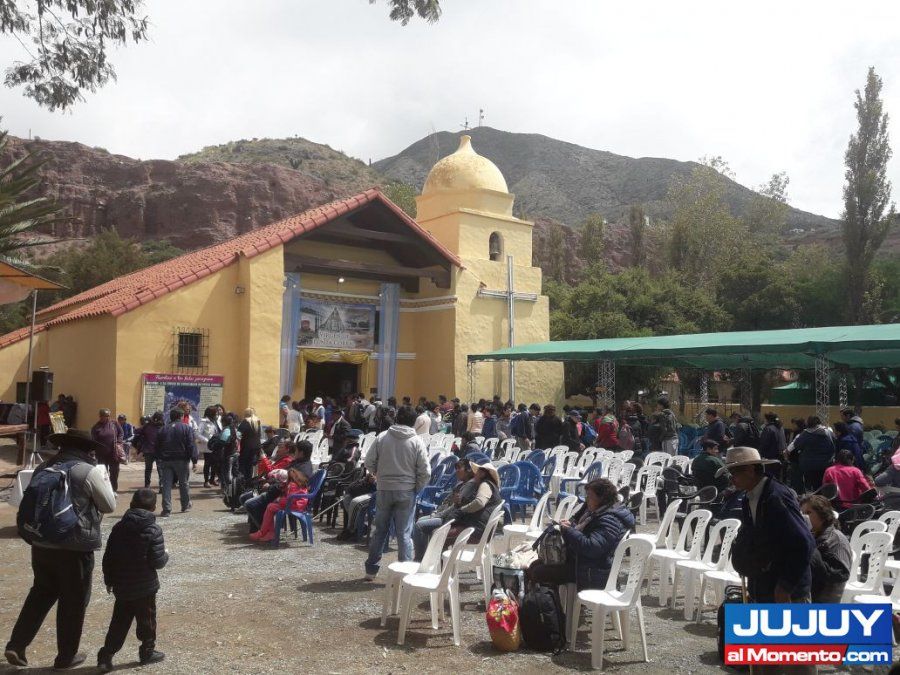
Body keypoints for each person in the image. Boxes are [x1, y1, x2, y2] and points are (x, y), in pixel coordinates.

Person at [5, 429, 116, 670]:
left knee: (40, 593)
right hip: (74, 546)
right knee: (73, 601)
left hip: (42, 543)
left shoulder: (44, 468)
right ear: (86, 450)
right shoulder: (87, 471)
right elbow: (109, 505)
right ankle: (66, 656)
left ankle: (17, 644)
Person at [726, 447, 816, 606]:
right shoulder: (749, 497)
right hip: (764, 586)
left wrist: (785, 587)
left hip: (787, 592)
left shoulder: (776, 497)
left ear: (750, 470)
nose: (732, 479)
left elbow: (804, 542)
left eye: (734, 473)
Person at [97, 489, 167, 671]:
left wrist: (109, 579)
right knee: (147, 620)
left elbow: (108, 557)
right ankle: (147, 651)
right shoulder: (153, 530)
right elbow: (158, 562)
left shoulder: (118, 528)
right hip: (145, 586)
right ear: (154, 507)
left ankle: (106, 656)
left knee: (119, 621)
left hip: (122, 585)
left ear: (130, 505)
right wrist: (166, 555)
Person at [528, 478, 634, 590]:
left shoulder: (610, 520)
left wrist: (569, 530)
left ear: (602, 498)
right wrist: (570, 526)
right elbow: (583, 529)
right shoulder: (598, 510)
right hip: (583, 562)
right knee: (535, 565)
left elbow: (592, 548)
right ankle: (545, 598)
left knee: (538, 572)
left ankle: (548, 599)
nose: (586, 499)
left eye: (590, 496)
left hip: (593, 571)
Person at [363, 404, 431, 580]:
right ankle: (404, 574)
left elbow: (368, 462)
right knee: (404, 534)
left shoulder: (382, 437)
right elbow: (425, 471)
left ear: (396, 417)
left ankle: (371, 570)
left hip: (384, 489)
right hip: (407, 491)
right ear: (414, 421)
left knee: (379, 531)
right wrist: (416, 488)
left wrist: (379, 475)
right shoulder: (417, 441)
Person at [412, 458, 502, 560]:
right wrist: (459, 505)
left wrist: (462, 509)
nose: (475, 474)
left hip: (476, 530)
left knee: (438, 534)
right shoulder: (485, 485)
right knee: (433, 530)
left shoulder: (485, 484)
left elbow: (479, 502)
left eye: (477, 472)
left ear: (482, 474)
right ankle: (437, 563)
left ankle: (432, 563)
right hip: (477, 527)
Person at [799, 494, 851, 604]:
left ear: (822, 515)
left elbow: (840, 575)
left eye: (808, 513)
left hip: (823, 600)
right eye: (802, 513)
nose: (804, 517)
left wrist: (809, 544)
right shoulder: (814, 534)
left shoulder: (835, 540)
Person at [249, 466, 309, 543]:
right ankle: (268, 533)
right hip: (299, 506)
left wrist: (279, 500)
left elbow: (290, 499)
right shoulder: (300, 484)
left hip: (293, 506)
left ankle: (264, 532)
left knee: (270, 507)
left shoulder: (292, 485)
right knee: (271, 507)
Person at [155, 408, 198, 517]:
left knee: (166, 484)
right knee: (183, 483)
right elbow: (191, 445)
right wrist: (194, 460)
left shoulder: (163, 429)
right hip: (181, 460)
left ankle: (166, 509)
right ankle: (185, 505)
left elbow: (157, 446)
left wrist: (160, 457)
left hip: (166, 460)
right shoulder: (186, 428)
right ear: (181, 416)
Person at [792, 415, 836, 492]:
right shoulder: (828, 432)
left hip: (809, 466)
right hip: (826, 464)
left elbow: (797, 445)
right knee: (824, 485)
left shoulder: (805, 434)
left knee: (811, 488)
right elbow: (835, 444)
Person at [91, 408, 124, 493]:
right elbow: (93, 440)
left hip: (114, 453)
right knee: (103, 473)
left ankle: (113, 489)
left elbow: (121, 433)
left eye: (108, 416)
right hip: (101, 454)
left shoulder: (114, 424)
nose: (107, 417)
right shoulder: (96, 427)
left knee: (114, 472)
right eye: (105, 416)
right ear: (100, 416)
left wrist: (119, 441)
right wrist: (93, 452)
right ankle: (105, 490)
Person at [197, 406, 222, 488]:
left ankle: (212, 479)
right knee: (207, 463)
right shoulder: (203, 422)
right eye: (216, 413)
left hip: (216, 445)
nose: (217, 415)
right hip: (208, 446)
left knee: (215, 463)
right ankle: (206, 481)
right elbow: (197, 434)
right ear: (211, 413)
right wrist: (206, 440)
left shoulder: (217, 421)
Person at [138, 412, 163, 489]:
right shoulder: (163, 427)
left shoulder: (147, 426)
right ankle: (161, 486)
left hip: (148, 450)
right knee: (160, 469)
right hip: (159, 451)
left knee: (148, 469)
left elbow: (139, 433)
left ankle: (147, 485)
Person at [237, 408, 262, 479]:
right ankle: (249, 480)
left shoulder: (245, 421)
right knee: (251, 465)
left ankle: (243, 481)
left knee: (243, 464)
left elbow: (238, 434)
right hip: (257, 446)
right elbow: (260, 434)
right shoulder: (257, 421)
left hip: (247, 446)